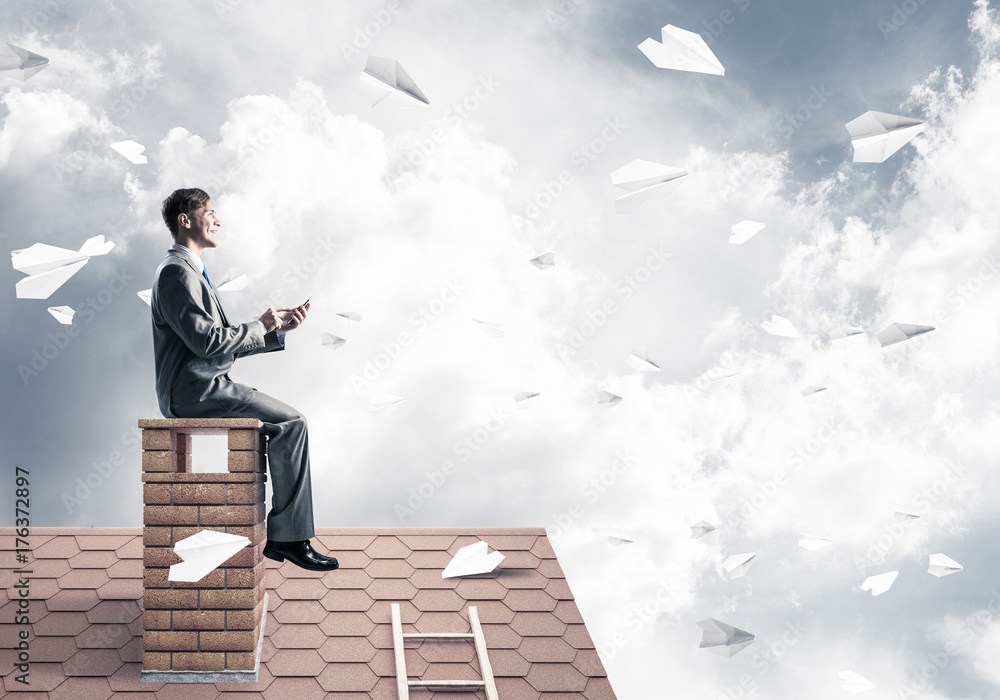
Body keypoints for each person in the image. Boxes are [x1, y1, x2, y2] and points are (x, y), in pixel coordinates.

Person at [150, 187, 337, 572]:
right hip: (194, 392)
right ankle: (289, 539)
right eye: (211, 212)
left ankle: (288, 536)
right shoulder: (175, 273)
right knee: (291, 423)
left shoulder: (191, 271)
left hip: (205, 384)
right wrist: (258, 324)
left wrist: (275, 332)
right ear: (186, 221)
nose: (218, 220)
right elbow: (208, 343)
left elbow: (215, 347)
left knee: (291, 422)